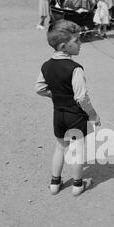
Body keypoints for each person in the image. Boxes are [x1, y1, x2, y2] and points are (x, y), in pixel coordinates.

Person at [35, 20, 101, 195]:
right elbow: (81, 97)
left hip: (58, 115)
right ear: (64, 46)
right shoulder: (75, 69)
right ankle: (78, 185)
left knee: (60, 148)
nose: (80, 44)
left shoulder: (46, 65)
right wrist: (93, 115)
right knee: (77, 149)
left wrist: (54, 95)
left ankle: (55, 183)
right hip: (76, 116)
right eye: (77, 41)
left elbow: (39, 88)